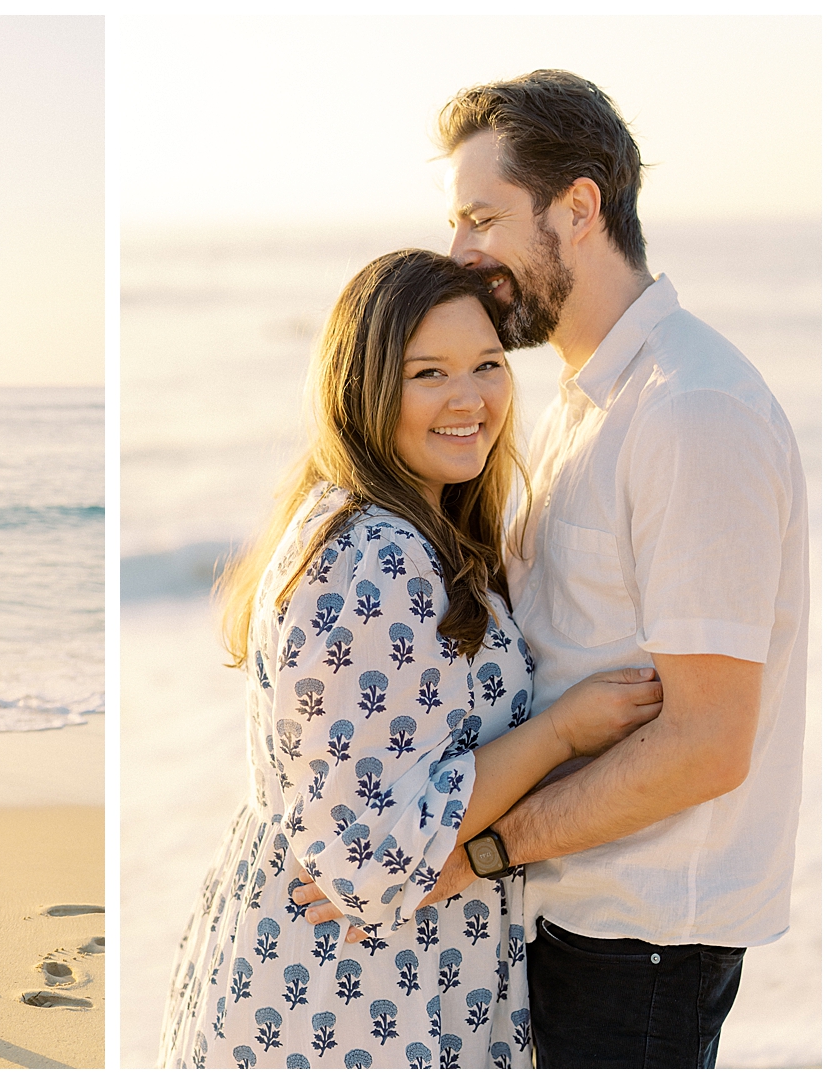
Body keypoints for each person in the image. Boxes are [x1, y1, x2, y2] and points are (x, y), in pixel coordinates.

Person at [300, 70, 809, 1069]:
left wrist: (477, 851)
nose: (460, 253)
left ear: (577, 207)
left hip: (641, 940)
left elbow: (708, 742)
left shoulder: (690, 412)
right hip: (573, 921)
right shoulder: (588, 403)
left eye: (481, 216)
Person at [157, 248, 664, 1069]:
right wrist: (564, 731)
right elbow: (371, 859)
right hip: (358, 990)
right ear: (365, 387)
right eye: (429, 373)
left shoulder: (392, 524)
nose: (470, 399)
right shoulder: (379, 555)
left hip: (351, 972)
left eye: (488, 365)